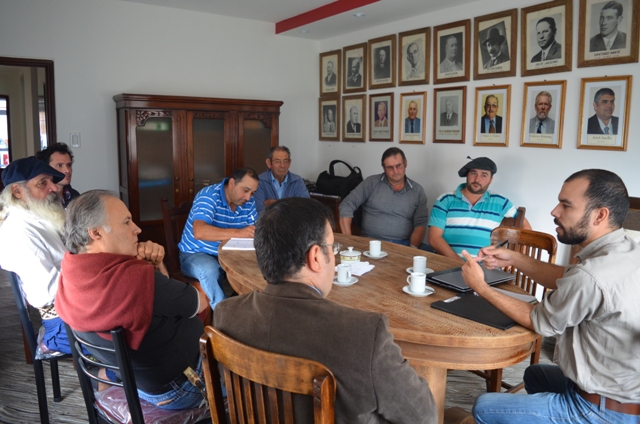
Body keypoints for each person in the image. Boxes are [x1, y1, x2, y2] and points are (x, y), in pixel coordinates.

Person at [214, 197, 437, 423]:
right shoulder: (364, 334)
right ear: (315, 257)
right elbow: (423, 416)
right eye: (332, 247)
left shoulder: (226, 314)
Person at [462, 169, 640, 424]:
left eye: (566, 205)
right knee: (535, 375)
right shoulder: (625, 250)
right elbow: (569, 277)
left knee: (483, 407)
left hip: (601, 410)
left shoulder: (593, 275)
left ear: (600, 215)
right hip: (627, 393)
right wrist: (515, 258)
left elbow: (538, 320)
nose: (554, 211)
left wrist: (481, 287)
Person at [56, 190, 209, 410]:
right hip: (179, 388)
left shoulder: (71, 270)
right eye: (127, 222)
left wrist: (155, 266)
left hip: (133, 379)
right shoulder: (133, 277)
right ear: (96, 233)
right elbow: (200, 303)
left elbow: (160, 298)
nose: (137, 229)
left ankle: (105, 375)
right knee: (249, 375)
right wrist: (149, 270)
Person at [0, 157, 74, 353]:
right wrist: (92, 271)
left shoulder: (40, 218)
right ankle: (108, 378)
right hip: (62, 325)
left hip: (76, 313)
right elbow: (47, 292)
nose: (53, 187)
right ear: (17, 191)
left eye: (52, 181)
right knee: (139, 330)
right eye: (43, 182)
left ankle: (108, 379)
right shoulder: (19, 232)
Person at [178, 168, 258, 309]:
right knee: (210, 269)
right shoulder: (209, 196)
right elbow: (199, 231)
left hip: (231, 254)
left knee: (258, 267)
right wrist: (238, 233)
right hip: (196, 254)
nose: (248, 197)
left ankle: (245, 310)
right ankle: (224, 314)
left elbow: (253, 231)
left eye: (252, 193)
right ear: (232, 183)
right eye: (245, 190)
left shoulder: (248, 202)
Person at [428, 157, 529, 262]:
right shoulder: (445, 200)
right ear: (467, 175)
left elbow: (525, 226)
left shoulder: (500, 202)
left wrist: (515, 259)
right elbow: (434, 239)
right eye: (473, 173)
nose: (477, 179)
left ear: (491, 179)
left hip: (484, 266)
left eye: (484, 175)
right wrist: (460, 264)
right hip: (447, 263)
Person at [339, 147, 429, 249]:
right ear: (383, 168)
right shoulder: (371, 183)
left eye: (399, 165)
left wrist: (412, 249)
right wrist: (349, 240)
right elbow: (346, 205)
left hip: (402, 245)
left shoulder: (417, 191)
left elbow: (420, 223)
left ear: (405, 164)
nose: (395, 171)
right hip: (370, 242)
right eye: (390, 167)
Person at [253, 146, 309, 214]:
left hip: (292, 224)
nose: (282, 165)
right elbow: (258, 211)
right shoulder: (259, 181)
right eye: (277, 161)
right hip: (268, 224)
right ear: (269, 163)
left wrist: (274, 205)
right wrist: (290, 207)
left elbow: (304, 208)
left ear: (289, 163)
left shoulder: (297, 181)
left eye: (285, 161)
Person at [35, 142, 80, 208]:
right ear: (46, 168)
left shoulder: (75, 195)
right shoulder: (40, 198)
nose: (67, 170)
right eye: (59, 165)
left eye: (69, 165)